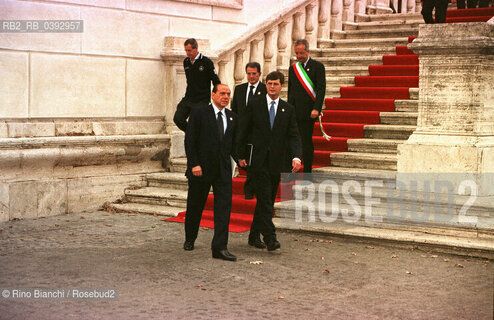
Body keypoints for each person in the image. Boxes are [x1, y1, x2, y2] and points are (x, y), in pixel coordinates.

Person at [237, 71, 302, 251]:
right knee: (265, 199)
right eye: (269, 83)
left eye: (275, 84)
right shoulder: (255, 104)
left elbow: (293, 136)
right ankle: (270, 237)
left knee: (267, 201)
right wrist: (240, 155)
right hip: (257, 161)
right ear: (266, 85)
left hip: (276, 162)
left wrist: (296, 157)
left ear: (281, 86)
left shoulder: (287, 109)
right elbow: (243, 129)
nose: (272, 87)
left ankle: (253, 235)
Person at [183, 84, 238, 262]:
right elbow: (190, 141)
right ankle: (190, 238)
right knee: (195, 205)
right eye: (222, 93)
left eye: (228, 94)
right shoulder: (199, 113)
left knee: (223, 208)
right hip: (201, 169)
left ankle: (220, 247)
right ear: (213, 95)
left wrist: (242, 159)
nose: (226, 96)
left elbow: (233, 145)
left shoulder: (232, 117)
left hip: (223, 170)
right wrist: (194, 164)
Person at [288, 39, 326, 175]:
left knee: (306, 141)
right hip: (294, 111)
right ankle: (291, 170)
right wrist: (288, 109)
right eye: (297, 53)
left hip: (309, 112)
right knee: (291, 140)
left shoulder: (318, 66)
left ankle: (307, 173)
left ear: (308, 51)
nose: (299, 56)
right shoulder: (293, 69)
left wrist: (317, 108)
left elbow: (321, 89)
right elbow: (291, 91)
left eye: (301, 53)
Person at [230, 62, 267, 201]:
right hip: (241, 131)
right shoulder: (239, 89)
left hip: (257, 132)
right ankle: (251, 187)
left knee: (254, 161)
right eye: (249, 73)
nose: (251, 76)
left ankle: (250, 189)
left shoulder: (265, 89)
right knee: (242, 160)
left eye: (254, 74)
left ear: (259, 74)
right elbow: (235, 110)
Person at [173, 38, 221, 132]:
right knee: (178, 118)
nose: (187, 53)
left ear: (196, 48)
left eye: (189, 50)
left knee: (195, 122)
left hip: (201, 100)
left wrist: (216, 97)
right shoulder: (186, 62)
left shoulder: (207, 62)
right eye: (186, 50)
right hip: (189, 98)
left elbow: (216, 81)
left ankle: (194, 137)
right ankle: (192, 134)